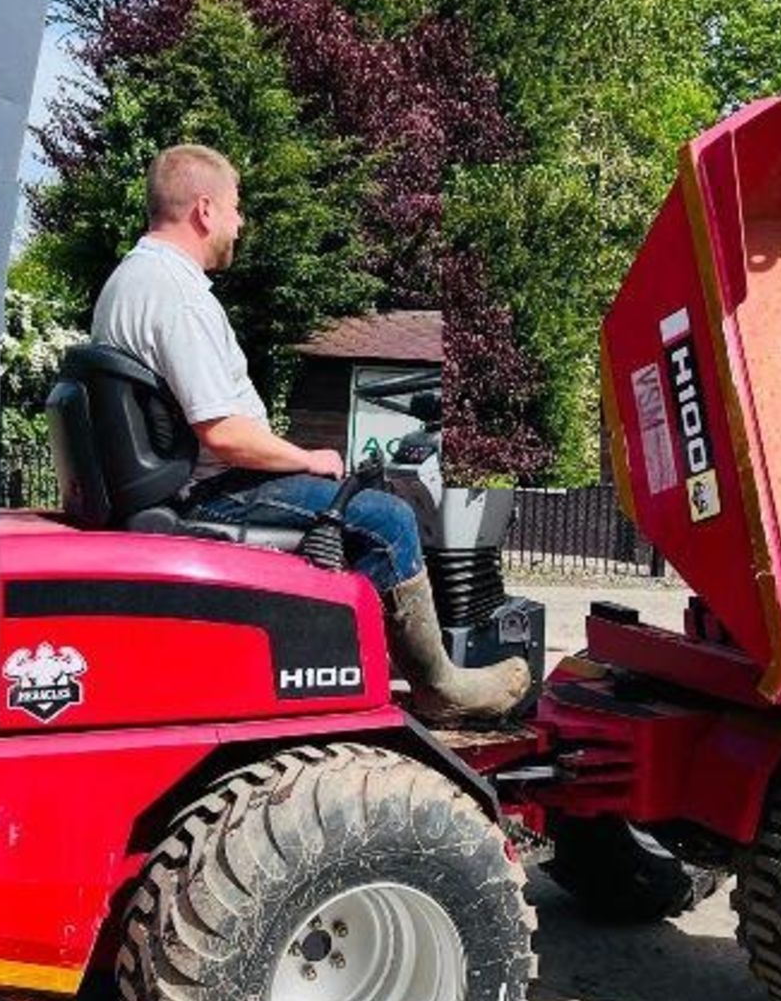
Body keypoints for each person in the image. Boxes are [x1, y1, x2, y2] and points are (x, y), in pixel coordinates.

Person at [90, 143, 530, 725]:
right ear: (204, 210)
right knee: (388, 521)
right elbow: (222, 433)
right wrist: (306, 456)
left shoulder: (131, 280)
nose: (240, 222)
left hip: (178, 482)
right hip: (215, 488)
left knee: (359, 505)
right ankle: (435, 686)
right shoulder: (178, 299)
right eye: (235, 207)